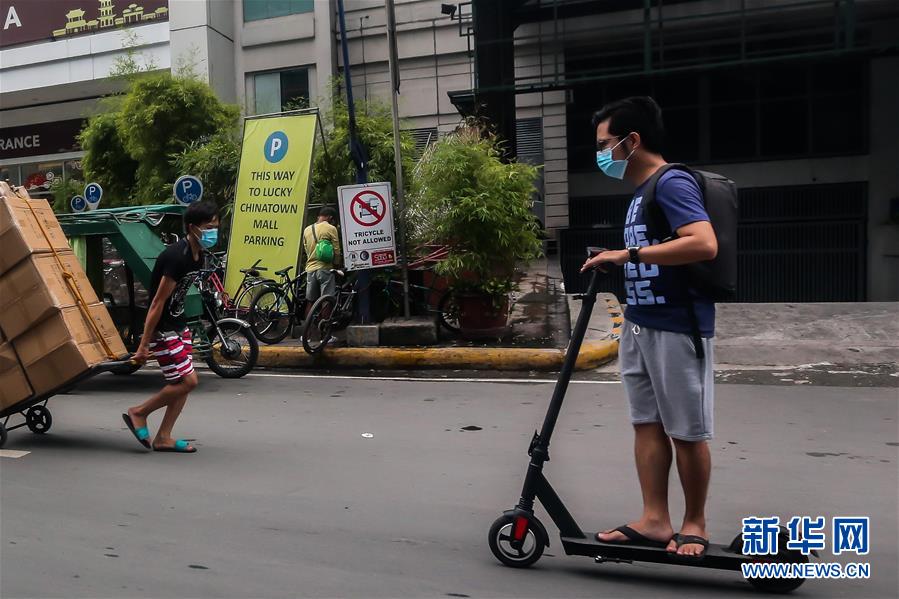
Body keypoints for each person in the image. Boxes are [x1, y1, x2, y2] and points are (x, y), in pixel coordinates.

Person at [581, 96, 719, 559]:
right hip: (640, 324)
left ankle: (693, 524)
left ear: (631, 141)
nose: (601, 154)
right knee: (647, 425)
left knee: (686, 430)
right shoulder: (640, 194)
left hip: (678, 326)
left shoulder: (672, 182)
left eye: (605, 144)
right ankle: (655, 520)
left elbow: (702, 243)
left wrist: (629, 255)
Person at [122, 201, 220, 453]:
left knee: (180, 383)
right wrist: (144, 345)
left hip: (178, 323)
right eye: (208, 227)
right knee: (189, 381)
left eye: (215, 226)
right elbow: (157, 302)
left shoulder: (198, 255)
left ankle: (164, 436)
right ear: (192, 227)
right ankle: (139, 412)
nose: (213, 231)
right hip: (163, 328)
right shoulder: (176, 256)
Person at [302, 206, 341, 317]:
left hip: (310, 269)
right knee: (326, 300)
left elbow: (306, 249)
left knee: (310, 301)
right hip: (325, 269)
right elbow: (337, 251)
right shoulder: (331, 228)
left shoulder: (307, 230)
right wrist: (337, 266)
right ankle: (325, 330)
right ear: (330, 218)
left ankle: (306, 331)